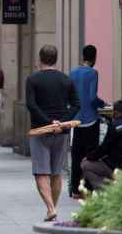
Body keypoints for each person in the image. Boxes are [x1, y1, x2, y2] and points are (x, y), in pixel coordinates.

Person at [26, 45, 80, 222]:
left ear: (40, 58)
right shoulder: (66, 79)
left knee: (41, 172)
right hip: (62, 132)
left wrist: (49, 122)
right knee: (56, 173)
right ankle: (53, 208)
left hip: (40, 131)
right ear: (56, 59)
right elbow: (76, 105)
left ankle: (50, 208)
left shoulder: (33, 79)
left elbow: (31, 105)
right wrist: (61, 122)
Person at [81, 98, 122, 191]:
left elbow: (104, 149)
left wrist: (89, 157)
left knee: (86, 165)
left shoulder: (115, 126)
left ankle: (107, 192)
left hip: (117, 167)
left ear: (117, 112)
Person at [69, 45, 106, 198]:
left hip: (76, 119)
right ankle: (88, 188)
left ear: (82, 56)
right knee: (90, 155)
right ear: (94, 58)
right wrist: (102, 104)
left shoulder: (72, 72)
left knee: (76, 155)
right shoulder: (93, 73)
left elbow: (70, 96)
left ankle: (76, 189)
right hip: (90, 120)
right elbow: (92, 98)